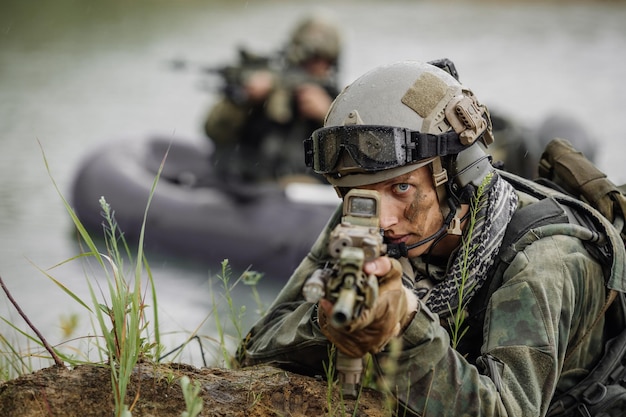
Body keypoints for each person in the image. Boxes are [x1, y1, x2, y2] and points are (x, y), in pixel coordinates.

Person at [237, 60, 626, 415]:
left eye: (401, 189)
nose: (382, 220)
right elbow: (255, 352)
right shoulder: (366, 215)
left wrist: (404, 326)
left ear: (458, 173)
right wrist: (325, 322)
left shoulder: (541, 258)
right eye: (358, 194)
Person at [204, 12, 342, 185]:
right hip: (249, 185)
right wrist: (244, 100)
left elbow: (354, 158)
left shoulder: (338, 101)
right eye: (311, 58)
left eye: (324, 59)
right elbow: (214, 131)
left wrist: (328, 116)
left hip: (303, 195)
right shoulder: (265, 86)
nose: (316, 66)